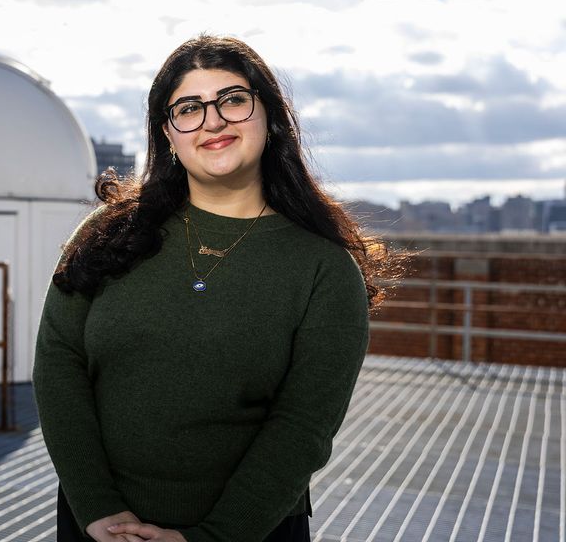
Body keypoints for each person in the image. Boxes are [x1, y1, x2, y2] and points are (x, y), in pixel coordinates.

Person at [33, 35, 398, 542]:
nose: (213, 120)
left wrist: (214, 536)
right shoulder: (106, 236)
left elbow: (303, 427)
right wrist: (97, 508)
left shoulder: (324, 269)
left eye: (233, 99)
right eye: (188, 108)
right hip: (97, 528)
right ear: (168, 134)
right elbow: (58, 364)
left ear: (269, 117)